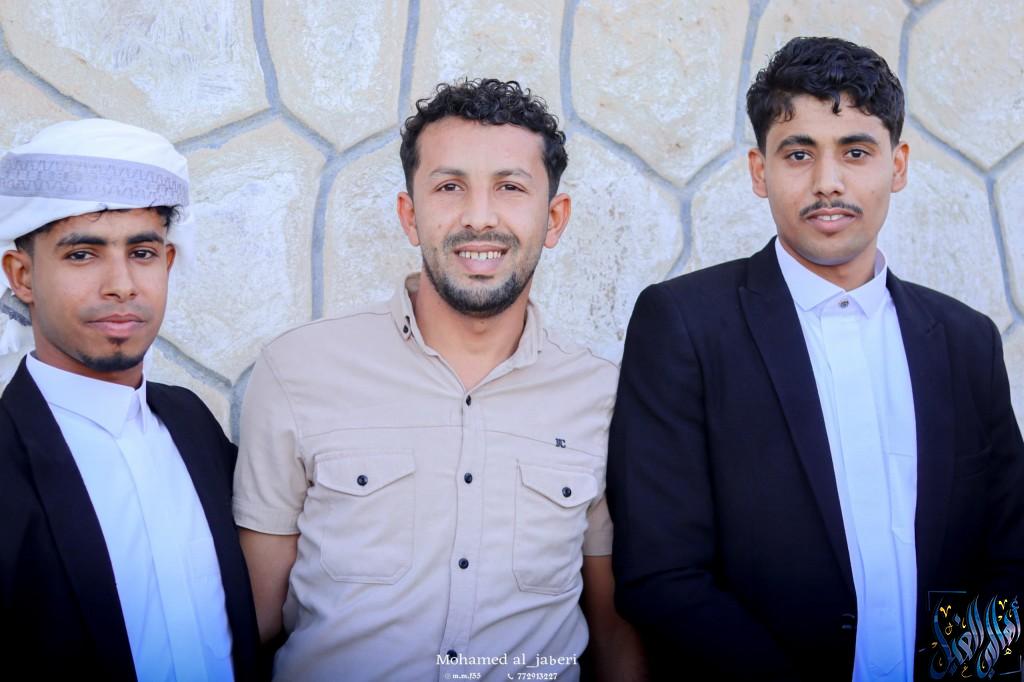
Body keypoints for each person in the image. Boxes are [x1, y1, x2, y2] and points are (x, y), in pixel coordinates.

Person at [608, 36, 1024, 681]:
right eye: (798, 154)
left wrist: (961, 676)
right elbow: (659, 575)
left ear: (898, 165)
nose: (828, 182)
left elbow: (1011, 556)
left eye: (856, 151)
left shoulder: (966, 341)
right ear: (759, 171)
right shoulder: (684, 325)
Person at [234, 78, 642, 681]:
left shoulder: (602, 396)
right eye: (450, 187)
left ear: (554, 218)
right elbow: (252, 621)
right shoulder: (297, 371)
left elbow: (612, 629)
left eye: (510, 187)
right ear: (410, 215)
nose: (479, 217)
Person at [0, 119, 260, 681]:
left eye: (142, 252)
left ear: (168, 264)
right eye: (82, 255)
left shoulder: (192, 423)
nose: (121, 284)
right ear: (22, 277)